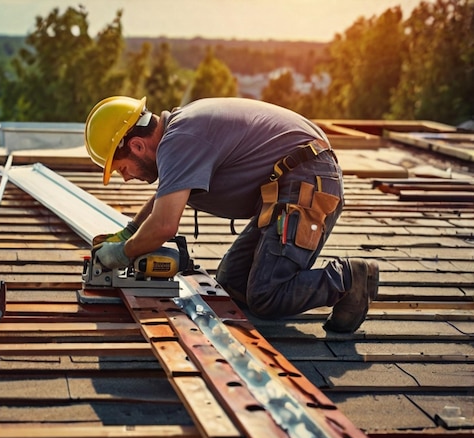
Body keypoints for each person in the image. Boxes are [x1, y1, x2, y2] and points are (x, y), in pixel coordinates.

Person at [84, 96, 379, 333]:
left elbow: (163, 226)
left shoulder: (180, 139)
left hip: (308, 184)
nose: (126, 178)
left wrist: (122, 253)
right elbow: (168, 195)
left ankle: (348, 278)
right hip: (288, 186)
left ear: (136, 145)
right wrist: (131, 230)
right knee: (232, 284)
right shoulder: (180, 133)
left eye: (123, 168)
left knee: (266, 295)